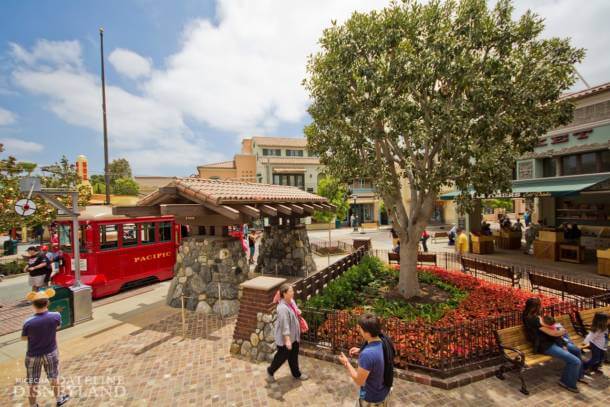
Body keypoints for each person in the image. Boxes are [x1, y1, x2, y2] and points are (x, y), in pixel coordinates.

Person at [521, 298, 586, 392]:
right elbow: (553, 333)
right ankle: (567, 382)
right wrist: (562, 331)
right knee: (575, 361)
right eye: (540, 305)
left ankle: (578, 375)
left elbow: (552, 327)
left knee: (576, 350)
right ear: (535, 307)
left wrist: (559, 332)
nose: (541, 307)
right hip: (545, 345)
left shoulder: (535, 316)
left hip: (554, 341)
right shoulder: (532, 319)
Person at [21, 288, 70, 407]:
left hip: (33, 355)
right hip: (51, 352)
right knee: (53, 376)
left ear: (33, 304)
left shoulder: (28, 322)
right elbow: (57, 328)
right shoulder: (56, 316)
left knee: (33, 381)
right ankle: (59, 399)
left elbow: (24, 338)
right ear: (48, 303)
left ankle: (33, 405)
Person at [339, 314, 392, 406]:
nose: (359, 330)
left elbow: (359, 381)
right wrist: (360, 349)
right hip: (384, 391)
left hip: (371, 398)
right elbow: (376, 354)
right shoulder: (384, 340)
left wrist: (346, 363)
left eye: (360, 328)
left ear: (367, 332)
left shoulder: (367, 355)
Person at [267, 283, 308, 382]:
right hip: (286, 339)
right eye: (291, 291)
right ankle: (270, 371)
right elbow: (284, 325)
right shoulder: (282, 308)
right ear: (284, 294)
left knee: (293, 357)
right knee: (281, 358)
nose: (293, 292)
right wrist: (288, 340)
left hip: (294, 337)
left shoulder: (290, 302)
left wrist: (297, 310)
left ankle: (296, 374)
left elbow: (294, 310)